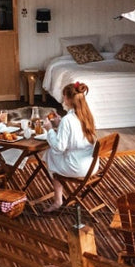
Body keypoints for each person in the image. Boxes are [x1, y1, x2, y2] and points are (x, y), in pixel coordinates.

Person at [40, 80, 98, 212]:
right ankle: (58, 198)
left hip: (77, 167)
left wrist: (49, 129)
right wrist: (60, 123)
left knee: (51, 153)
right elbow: (76, 133)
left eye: (64, 96)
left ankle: (58, 201)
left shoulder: (68, 120)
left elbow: (59, 147)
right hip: (92, 165)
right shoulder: (87, 114)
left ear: (68, 99)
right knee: (53, 155)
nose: (63, 99)